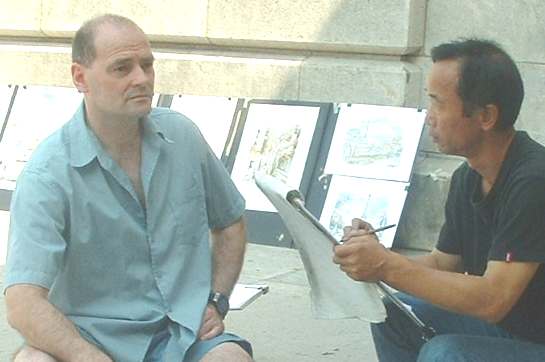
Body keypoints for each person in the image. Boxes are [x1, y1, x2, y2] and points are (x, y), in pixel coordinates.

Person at [4, 14, 253, 362]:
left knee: (230, 358)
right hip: (88, 339)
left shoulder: (182, 137)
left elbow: (230, 222)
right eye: (122, 68)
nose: (142, 79)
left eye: (147, 65)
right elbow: (22, 302)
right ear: (80, 77)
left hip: (180, 333)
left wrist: (218, 299)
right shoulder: (48, 175)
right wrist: (89, 357)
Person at [333, 38, 545, 362]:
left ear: (486, 115)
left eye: (438, 104)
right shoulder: (468, 177)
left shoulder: (533, 182)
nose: (429, 117)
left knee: (445, 354)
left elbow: (493, 299)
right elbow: (440, 265)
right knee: (394, 313)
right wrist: (374, 255)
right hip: (513, 329)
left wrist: (386, 265)